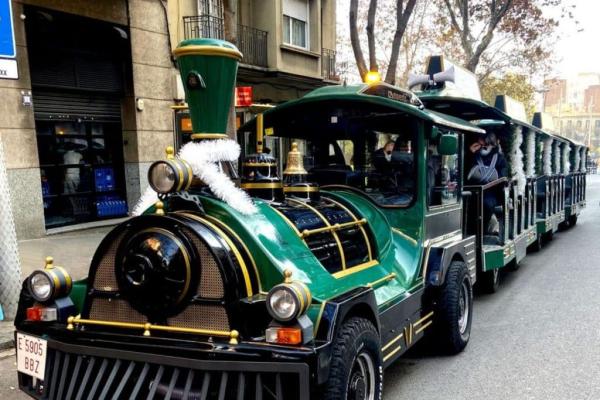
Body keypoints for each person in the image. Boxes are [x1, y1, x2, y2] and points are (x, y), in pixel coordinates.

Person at [467, 133, 507, 235]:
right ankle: (470, 232)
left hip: (491, 193)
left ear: (491, 145)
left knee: (486, 204)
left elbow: (502, 179)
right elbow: (464, 174)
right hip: (472, 192)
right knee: (467, 204)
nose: (482, 147)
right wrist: (470, 154)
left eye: (485, 145)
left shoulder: (499, 158)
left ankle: (481, 233)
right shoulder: (473, 155)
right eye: (479, 143)